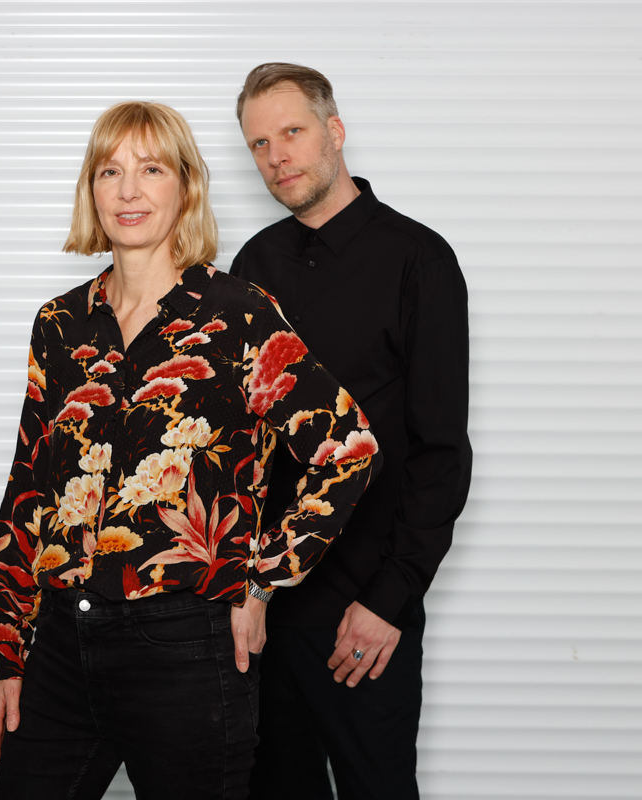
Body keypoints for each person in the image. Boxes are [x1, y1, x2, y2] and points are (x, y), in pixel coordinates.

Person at [0, 101, 382, 800]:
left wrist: (262, 578)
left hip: (187, 648)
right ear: (90, 188)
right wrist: (9, 651)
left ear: (186, 186)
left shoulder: (239, 314)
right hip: (62, 644)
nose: (128, 191)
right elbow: (29, 486)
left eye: (151, 169)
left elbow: (348, 449)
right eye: (110, 171)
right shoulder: (60, 323)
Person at [229, 63, 472, 799]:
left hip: (363, 609)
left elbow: (440, 452)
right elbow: (241, 445)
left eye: (292, 132)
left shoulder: (418, 259)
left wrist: (389, 600)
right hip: (265, 606)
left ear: (334, 132)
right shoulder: (253, 265)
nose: (277, 156)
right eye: (260, 143)